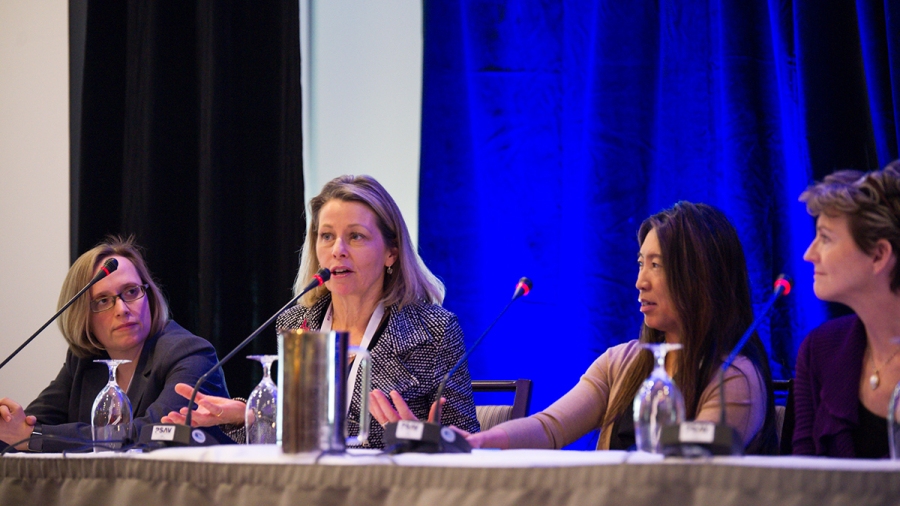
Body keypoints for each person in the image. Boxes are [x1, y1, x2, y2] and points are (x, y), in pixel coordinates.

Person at [381, 201, 778, 453]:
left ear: (700, 276)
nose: (640, 281)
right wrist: (473, 442)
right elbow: (549, 429)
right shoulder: (621, 363)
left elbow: (695, 477)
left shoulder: (734, 378)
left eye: (656, 265)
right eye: (640, 264)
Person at [162, 175, 480, 448]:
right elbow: (294, 435)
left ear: (391, 252)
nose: (337, 250)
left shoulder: (434, 331)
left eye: (356, 236)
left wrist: (421, 438)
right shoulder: (297, 324)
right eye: (326, 236)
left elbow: (467, 444)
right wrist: (249, 414)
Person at [0, 236, 230, 452]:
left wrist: (33, 437)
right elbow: (32, 424)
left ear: (148, 296)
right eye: (103, 300)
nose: (122, 309)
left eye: (131, 291)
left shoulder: (190, 354)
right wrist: (8, 426)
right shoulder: (84, 361)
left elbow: (150, 434)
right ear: (83, 316)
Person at [792, 161, 900, 458]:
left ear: (878, 255)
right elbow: (803, 483)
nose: (809, 254)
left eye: (825, 238)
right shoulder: (818, 351)